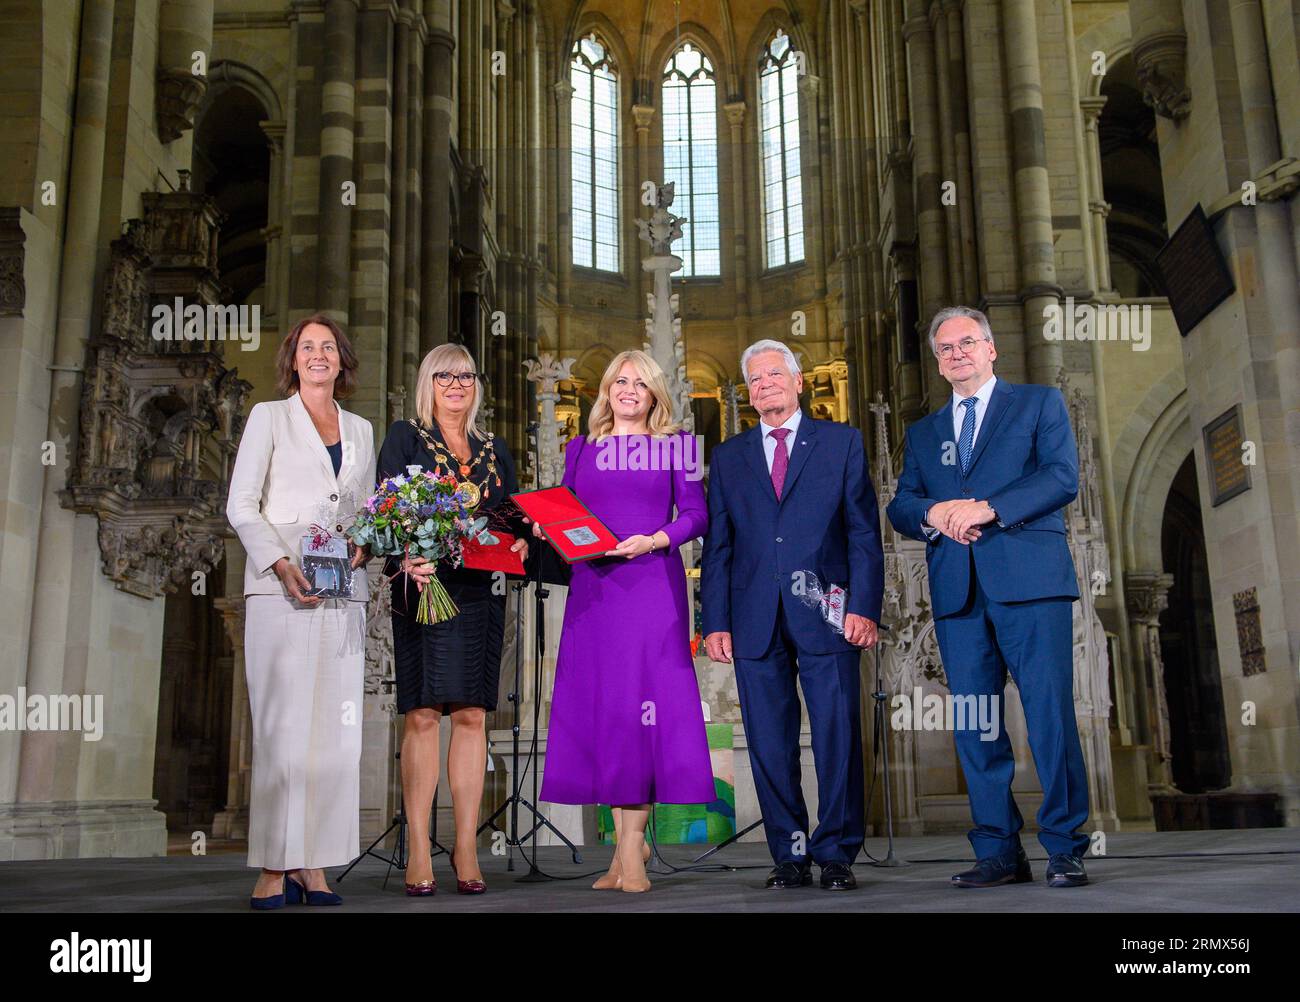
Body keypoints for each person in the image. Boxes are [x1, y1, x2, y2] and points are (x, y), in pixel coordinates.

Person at [886, 305, 1090, 888]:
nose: (958, 354)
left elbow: (1060, 477)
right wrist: (933, 511)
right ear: (938, 360)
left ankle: (1065, 846)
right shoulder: (924, 433)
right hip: (958, 594)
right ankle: (999, 849)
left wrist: (989, 508)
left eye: (967, 343)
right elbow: (901, 505)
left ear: (991, 348)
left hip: (1030, 583)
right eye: (946, 348)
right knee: (977, 724)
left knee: (1050, 716)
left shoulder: (1037, 404)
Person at [700, 340, 884, 891]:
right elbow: (720, 546)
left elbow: (863, 534)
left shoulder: (841, 442)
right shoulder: (730, 457)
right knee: (768, 741)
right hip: (754, 617)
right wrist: (715, 621)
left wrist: (864, 608)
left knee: (836, 735)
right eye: (755, 380)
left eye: (774, 375)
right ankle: (789, 853)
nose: (765, 386)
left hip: (828, 613)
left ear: (799, 381)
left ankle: (836, 853)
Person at [534, 350, 715, 893]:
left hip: (651, 589)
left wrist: (657, 538)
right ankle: (618, 854)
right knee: (610, 713)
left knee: (646, 712)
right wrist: (549, 528)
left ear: (656, 393)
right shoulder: (580, 448)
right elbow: (566, 509)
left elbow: (697, 515)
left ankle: (634, 855)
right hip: (594, 593)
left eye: (640, 383)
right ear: (607, 390)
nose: (629, 390)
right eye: (620, 381)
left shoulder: (677, 446)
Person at [226, 313, 375, 909]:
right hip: (280, 590)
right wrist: (281, 564)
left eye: (329, 347)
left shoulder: (361, 429)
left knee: (334, 739)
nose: (319, 356)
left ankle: (314, 866)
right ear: (293, 358)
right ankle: (273, 864)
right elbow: (241, 505)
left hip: (343, 593)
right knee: (283, 731)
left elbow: (365, 509)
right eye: (308, 347)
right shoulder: (269, 417)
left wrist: (365, 546)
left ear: (342, 360)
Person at [377, 344, 529, 896]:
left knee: (471, 714)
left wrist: (527, 538)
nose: (457, 384)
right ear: (428, 382)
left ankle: (465, 845)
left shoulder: (495, 447)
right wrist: (406, 554)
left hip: (481, 589)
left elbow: (512, 518)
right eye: (445, 375)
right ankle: (419, 846)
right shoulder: (405, 437)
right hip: (423, 583)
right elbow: (386, 507)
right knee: (422, 713)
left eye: (466, 375)